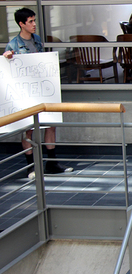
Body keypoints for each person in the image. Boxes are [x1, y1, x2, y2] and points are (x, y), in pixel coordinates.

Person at [3, 7, 73, 179]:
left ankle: (52, 163)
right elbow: (8, 67)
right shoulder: (13, 45)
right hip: (26, 94)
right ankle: (31, 167)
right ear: (21, 24)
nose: (34, 24)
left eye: (34, 20)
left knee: (50, 124)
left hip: (41, 91)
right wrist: (7, 57)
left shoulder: (37, 41)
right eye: (31, 21)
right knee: (28, 129)